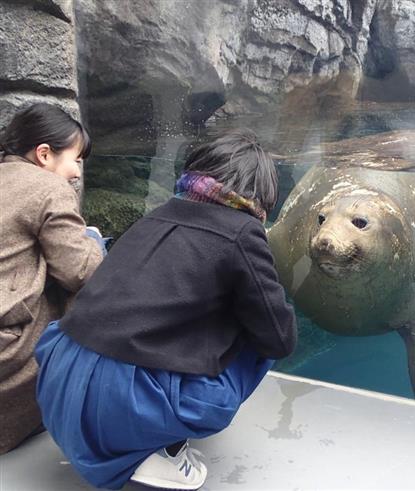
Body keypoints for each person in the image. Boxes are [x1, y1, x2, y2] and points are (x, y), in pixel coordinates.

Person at [34, 129, 298, 490]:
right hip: (120, 403)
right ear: (263, 194)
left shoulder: (155, 216)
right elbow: (280, 338)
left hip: (58, 384)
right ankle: (162, 449)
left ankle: (128, 436)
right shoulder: (243, 232)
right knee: (263, 335)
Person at [0, 103, 104, 454]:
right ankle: (72, 404)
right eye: (75, 159)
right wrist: (95, 245)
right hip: (7, 348)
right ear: (44, 154)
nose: (77, 172)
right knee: (93, 274)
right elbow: (80, 271)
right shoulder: (48, 188)